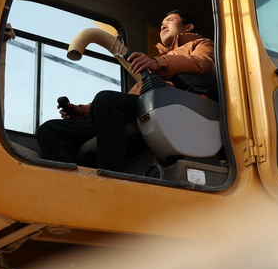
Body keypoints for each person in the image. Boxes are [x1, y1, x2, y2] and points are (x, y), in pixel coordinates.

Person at [36, 10, 214, 172]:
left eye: (170, 20)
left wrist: (158, 64)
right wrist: (83, 111)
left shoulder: (201, 44)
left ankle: (110, 175)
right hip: (143, 106)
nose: (163, 25)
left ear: (188, 27)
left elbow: (203, 63)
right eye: (161, 24)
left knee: (106, 99)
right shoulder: (155, 60)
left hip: (170, 104)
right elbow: (131, 98)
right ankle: (73, 187)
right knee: (51, 130)